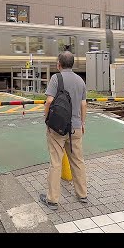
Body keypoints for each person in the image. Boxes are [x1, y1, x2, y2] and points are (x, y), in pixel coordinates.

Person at [40, 50, 88, 210]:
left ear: (59, 64)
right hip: (75, 128)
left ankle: (52, 200)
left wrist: (47, 120)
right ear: (72, 64)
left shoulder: (56, 78)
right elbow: (83, 104)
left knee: (56, 162)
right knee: (78, 161)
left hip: (57, 129)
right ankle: (82, 195)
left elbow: (48, 101)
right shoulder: (80, 81)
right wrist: (82, 123)